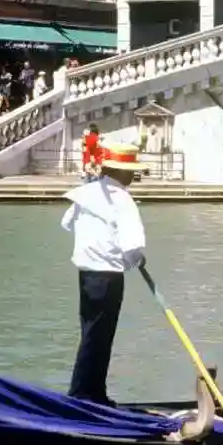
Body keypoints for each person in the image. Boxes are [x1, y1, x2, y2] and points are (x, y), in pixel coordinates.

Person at [60, 142, 149, 405]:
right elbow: (133, 245)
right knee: (100, 337)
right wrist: (136, 259)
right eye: (131, 172)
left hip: (86, 273)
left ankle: (91, 392)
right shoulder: (122, 199)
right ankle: (84, 395)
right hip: (108, 276)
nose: (133, 176)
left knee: (91, 334)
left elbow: (67, 223)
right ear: (120, 172)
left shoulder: (87, 193)